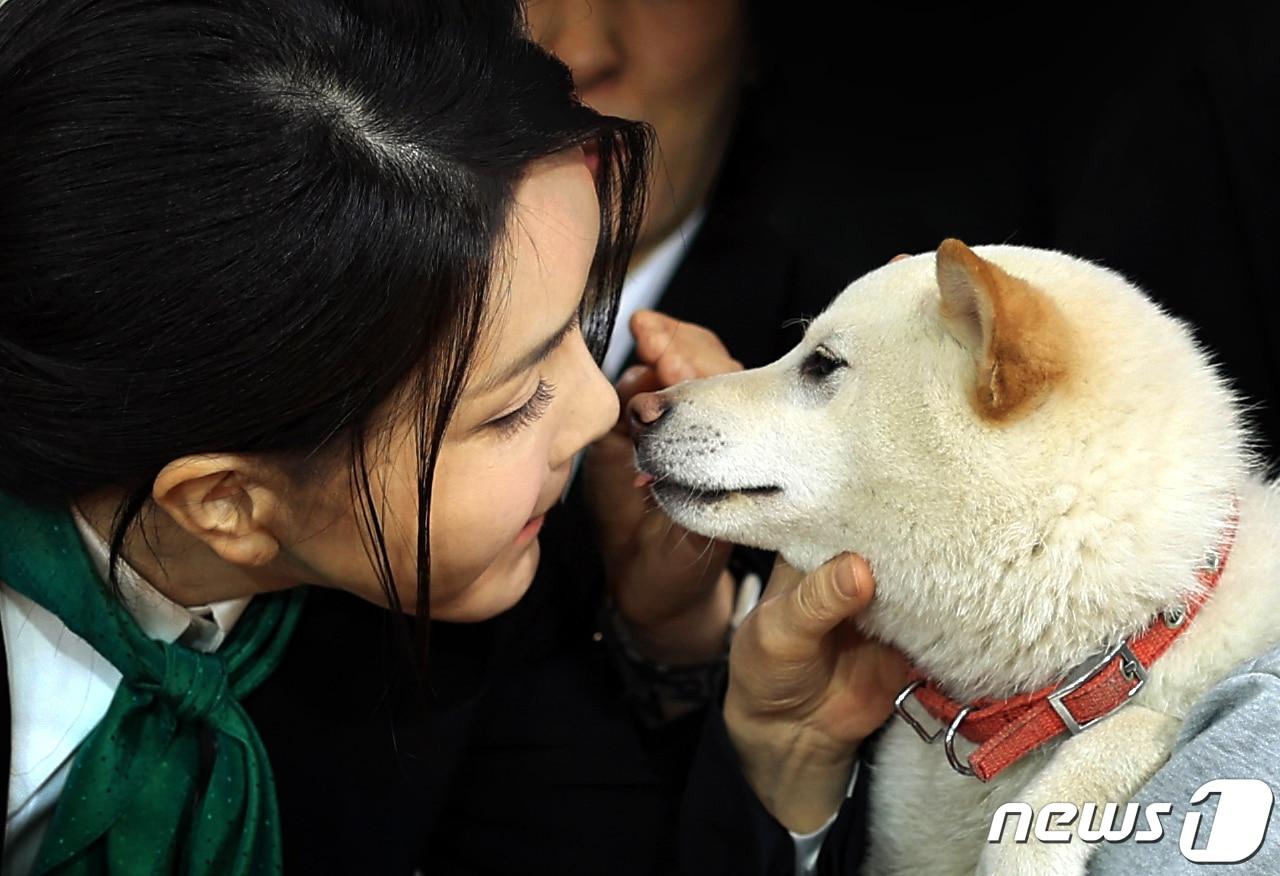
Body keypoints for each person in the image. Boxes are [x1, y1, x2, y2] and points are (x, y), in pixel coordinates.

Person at [0, 1, 906, 874]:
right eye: (512, 406)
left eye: (584, 323)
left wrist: (704, 672)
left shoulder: (473, 605)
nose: (601, 413)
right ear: (226, 503)